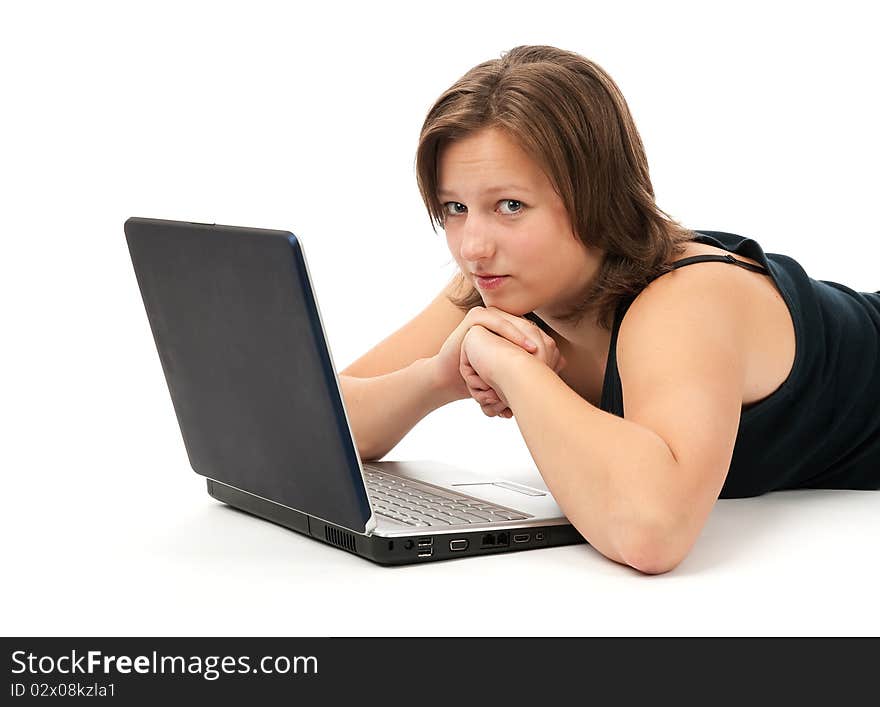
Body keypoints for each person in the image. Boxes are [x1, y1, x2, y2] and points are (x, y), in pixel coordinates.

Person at [338, 45, 880, 574]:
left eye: (511, 206)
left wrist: (508, 365)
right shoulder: (502, 281)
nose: (473, 246)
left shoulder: (684, 299)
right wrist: (438, 376)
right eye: (456, 208)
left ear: (597, 196)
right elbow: (329, 424)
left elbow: (652, 532)